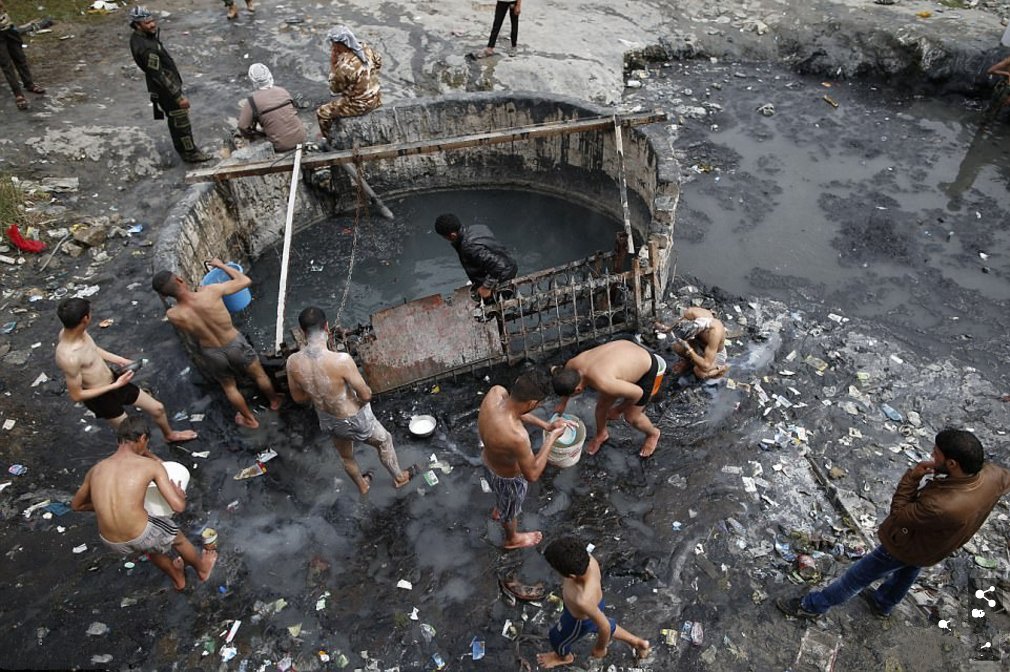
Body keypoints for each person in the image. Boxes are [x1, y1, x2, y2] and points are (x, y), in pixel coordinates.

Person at [777, 428, 1010, 621]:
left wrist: (913, 476)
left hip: (904, 544)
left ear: (951, 463)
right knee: (910, 570)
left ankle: (811, 606)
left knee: (855, 578)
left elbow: (899, 514)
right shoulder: (994, 475)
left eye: (936, 454)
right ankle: (883, 604)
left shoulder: (943, 504)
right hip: (934, 546)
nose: (931, 455)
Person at [71, 417, 217, 591]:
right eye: (146, 444)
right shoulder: (149, 466)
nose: (145, 449)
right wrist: (179, 495)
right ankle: (202, 570)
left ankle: (178, 579)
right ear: (142, 439)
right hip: (141, 533)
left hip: (111, 541)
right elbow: (178, 507)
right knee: (175, 537)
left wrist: (112, 506)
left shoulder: (96, 469)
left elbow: (77, 506)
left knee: (149, 544)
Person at [286, 306, 416, 494]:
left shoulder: (292, 362)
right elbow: (366, 395)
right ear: (327, 327)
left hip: (327, 420)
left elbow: (298, 398)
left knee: (346, 456)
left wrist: (318, 393)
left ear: (302, 332)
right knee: (384, 441)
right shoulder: (341, 361)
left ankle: (363, 485)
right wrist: (361, 400)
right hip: (353, 418)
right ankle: (399, 477)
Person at [151, 260, 281, 429]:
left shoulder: (173, 314)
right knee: (259, 375)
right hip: (234, 342)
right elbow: (245, 281)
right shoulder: (210, 291)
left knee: (229, 386)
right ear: (180, 280)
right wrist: (221, 265)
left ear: (163, 295)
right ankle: (275, 401)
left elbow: (190, 330)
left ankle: (250, 419)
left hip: (211, 352)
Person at [55, 298, 197, 445]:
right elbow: (76, 395)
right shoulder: (68, 356)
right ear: (85, 318)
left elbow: (94, 350)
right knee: (130, 436)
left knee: (157, 408)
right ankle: (147, 459)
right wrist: (114, 386)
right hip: (100, 397)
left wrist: (120, 360)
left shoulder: (77, 332)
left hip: (114, 380)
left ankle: (170, 435)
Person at [479, 372, 570, 549]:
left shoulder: (496, 393)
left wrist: (547, 425)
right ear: (532, 403)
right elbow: (532, 474)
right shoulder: (517, 437)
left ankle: (501, 507)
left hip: (488, 461)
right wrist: (551, 437)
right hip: (508, 480)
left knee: (501, 498)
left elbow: (515, 411)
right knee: (510, 512)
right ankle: (512, 539)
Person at [536, 536, 650, 669]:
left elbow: (605, 627)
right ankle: (638, 642)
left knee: (557, 638)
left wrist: (600, 648)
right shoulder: (590, 561)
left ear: (572, 576)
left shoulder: (582, 599)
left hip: (578, 621)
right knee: (600, 621)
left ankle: (563, 658)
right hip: (597, 604)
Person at [551, 339, 664, 458]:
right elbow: (568, 383)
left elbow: (638, 394)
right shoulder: (571, 365)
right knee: (601, 407)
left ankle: (653, 434)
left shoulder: (604, 383)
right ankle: (601, 434)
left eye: (570, 395)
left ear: (578, 390)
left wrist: (618, 410)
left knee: (631, 416)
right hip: (625, 350)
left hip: (647, 366)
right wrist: (563, 403)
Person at [128, 6, 213, 163]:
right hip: (166, 91)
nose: (152, 24)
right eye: (147, 22)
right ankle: (190, 152)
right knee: (181, 122)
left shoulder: (142, 38)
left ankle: (183, 149)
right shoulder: (146, 48)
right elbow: (159, 75)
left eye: (152, 20)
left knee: (175, 120)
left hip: (163, 87)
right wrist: (178, 96)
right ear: (137, 24)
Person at [316, 25, 382, 140]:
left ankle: (328, 139)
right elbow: (378, 63)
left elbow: (334, 90)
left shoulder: (345, 66)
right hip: (376, 98)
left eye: (333, 44)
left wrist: (333, 65)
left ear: (338, 44)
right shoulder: (366, 49)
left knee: (322, 112)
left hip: (359, 106)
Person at [434, 213, 518, 301]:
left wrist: (486, 286)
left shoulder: (469, 247)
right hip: (510, 263)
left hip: (504, 276)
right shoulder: (477, 228)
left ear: (452, 235)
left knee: (489, 304)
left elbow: (499, 265)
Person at [237, 63, 306, 153]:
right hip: (301, 138)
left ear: (253, 82)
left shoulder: (252, 101)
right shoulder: (282, 91)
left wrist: (255, 135)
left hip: (281, 146)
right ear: (269, 76)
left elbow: (242, 126)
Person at [0, 0, 44, 111]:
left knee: (20, 57)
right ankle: (18, 94)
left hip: (8, 27)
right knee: (6, 64)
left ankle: (29, 84)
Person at [665, 307, 729, 380]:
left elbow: (706, 365)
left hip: (713, 355)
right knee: (676, 347)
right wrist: (668, 328)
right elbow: (677, 323)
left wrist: (689, 349)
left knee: (700, 372)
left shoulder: (715, 333)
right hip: (697, 344)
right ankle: (689, 361)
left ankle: (720, 369)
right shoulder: (691, 313)